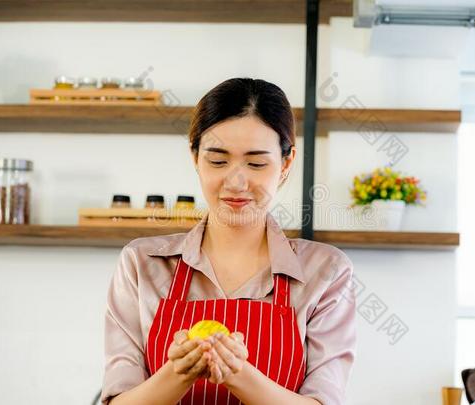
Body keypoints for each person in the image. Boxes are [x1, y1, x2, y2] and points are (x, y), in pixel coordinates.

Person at [101, 78, 357, 405]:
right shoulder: (142, 264)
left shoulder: (325, 271)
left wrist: (238, 374)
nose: (236, 181)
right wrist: (177, 374)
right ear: (195, 157)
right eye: (218, 161)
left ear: (286, 164)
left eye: (256, 163)